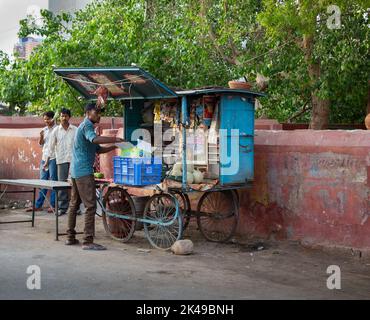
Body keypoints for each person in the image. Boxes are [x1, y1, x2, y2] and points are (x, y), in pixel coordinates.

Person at [65, 103, 124, 250]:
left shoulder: (87, 127)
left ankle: (70, 237)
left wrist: (115, 147)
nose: (99, 115)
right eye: (96, 112)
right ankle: (87, 241)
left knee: (74, 204)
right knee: (90, 206)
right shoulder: (87, 126)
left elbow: (98, 149)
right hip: (83, 172)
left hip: (76, 171)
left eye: (99, 112)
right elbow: (95, 140)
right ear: (87, 113)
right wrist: (115, 139)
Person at [44, 108, 77, 216]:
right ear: (60, 117)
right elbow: (50, 147)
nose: (63, 118)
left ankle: (75, 208)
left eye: (65, 116)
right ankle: (62, 208)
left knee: (74, 184)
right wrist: (47, 161)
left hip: (73, 161)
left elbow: (79, 146)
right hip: (61, 160)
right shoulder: (56, 131)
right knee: (62, 184)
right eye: (62, 116)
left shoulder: (75, 130)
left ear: (69, 117)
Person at [27, 111, 57, 213]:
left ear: (53, 119)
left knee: (53, 182)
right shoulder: (44, 130)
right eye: (44, 119)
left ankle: (53, 205)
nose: (46, 121)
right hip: (44, 158)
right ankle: (38, 205)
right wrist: (41, 136)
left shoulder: (57, 129)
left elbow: (55, 146)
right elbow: (41, 145)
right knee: (42, 182)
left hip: (54, 158)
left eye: (48, 119)